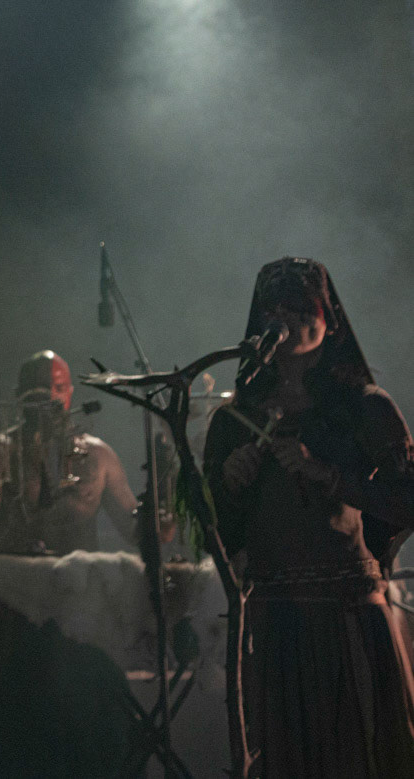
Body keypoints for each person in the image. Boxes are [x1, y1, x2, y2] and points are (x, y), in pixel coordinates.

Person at [203, 257, 414, 776]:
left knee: (358, 753)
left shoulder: (365, 407)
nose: (290, 322)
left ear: (329, 319)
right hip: (276, 616)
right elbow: (210, 525)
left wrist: (331, 477)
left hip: (345, 612)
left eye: (302, 310)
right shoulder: (234, 417)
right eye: (276, 312)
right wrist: (228, 483)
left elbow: (408, 500)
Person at [0, 351, 139, 555]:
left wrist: (160, 523)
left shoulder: (99, 455)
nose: (50, 398)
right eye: (39, 390)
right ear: (20, 394)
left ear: (70, 392)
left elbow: (134, 531)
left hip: (81, 580)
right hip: (20, 577)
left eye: (58, 388)